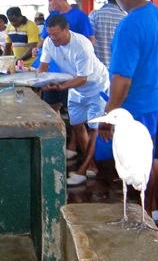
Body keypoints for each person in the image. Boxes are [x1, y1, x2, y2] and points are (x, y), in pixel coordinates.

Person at [102, 0, 158, 223]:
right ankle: (151, 210)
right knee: (152, 158)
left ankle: (142, 214)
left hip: (139, 106)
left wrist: (109, 116)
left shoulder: (129, 25)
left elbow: (122, 79)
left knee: (137, 163)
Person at [39, 14, 109, 186]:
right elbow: (43, 67)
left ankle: (83, 170)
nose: (53, 38)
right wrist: (41, 82)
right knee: (77, 125)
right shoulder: (49, 42)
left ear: (66, 29)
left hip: (95, 87)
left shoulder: (82, 45)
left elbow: (83, 78)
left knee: (94, 129)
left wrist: (61, 86)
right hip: (75, 88)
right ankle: (91, 165)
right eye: (50, 34)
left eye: (56, 34)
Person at [89, 0, 126, 67]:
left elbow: (89, 40)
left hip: (97, 69)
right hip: (117, 69)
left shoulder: (95, 15)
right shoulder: (125, 18)